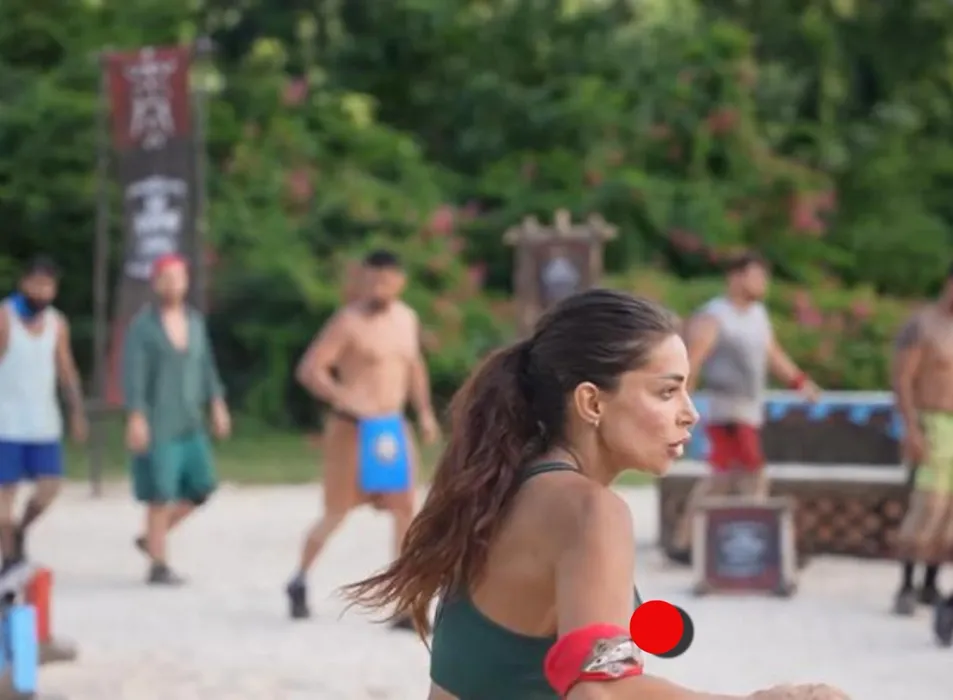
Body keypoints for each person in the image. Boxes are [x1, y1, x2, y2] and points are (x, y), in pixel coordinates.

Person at [341, 289, 848, 700]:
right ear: (592, 402)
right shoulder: (591, 511)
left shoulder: (502, 485)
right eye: (667, 391)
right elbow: (598, 690)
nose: (690, 413)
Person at [286, 249, 439, 625]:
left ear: (399, 282)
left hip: (391, 427)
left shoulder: (406, 319)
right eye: (371, 280)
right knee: (336, 511)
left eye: (385, 280)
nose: (378, 288)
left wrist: (424, 413)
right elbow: (310, 369)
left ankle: (404, 601)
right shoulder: (347, 322)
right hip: (352, 428)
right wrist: (344, 396)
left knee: (405, 509)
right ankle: (299, 577)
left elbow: (414, 367)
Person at [670, 252, 819, 561]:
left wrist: (800, 382)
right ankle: (760, 541)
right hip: (727, 409)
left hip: (750, 407)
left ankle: (686, 542)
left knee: (722, 479)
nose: (762, 283)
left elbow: (772, 354)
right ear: (736, 278)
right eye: (756, 276)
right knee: (753, 473)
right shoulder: (715, 316)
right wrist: (679, 407)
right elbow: (692, 361)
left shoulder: (758, 315)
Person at [122, 253, 231, 585]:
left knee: (202, 487)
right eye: (166, 278)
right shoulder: (143, 327)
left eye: (178, 278)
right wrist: (136, 416)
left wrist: (217, 403)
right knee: (160, 492)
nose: (173, 285)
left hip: (190, 419)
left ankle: (151, 539)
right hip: (160, 420)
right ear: (156, 283)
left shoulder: (194, 322)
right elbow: (134, 374)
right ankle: (158, 564)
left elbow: (207, 366)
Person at [0, 256, 88, 571]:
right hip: (6, 423)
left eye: (47, 286)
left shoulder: (56, 323)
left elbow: (66, 370)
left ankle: (20, 530)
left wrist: (77, 411)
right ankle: (10, 558)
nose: (41, 292)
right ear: (23, 284)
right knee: (4, 495)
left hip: (43, 422)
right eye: (36, 284)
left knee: (50, 486)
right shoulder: (5, 318)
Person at [890, 268, 953, 642]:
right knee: (927, 506)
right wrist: (911, 429)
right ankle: (906, 584)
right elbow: (902, 380)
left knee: (949, 514)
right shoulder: (922, 325)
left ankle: (931, 581)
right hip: (931, 422)